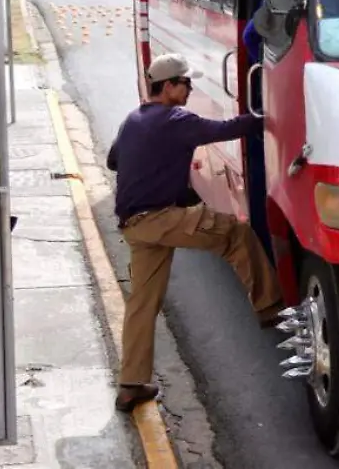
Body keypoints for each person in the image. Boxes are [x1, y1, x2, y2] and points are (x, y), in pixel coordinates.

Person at [108, 53, 286, 412]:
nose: (190, 88)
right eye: (186, 83)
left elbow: (114, 160)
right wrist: (271, 117)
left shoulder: (134, 119)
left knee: (142, 305)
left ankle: (131, 385)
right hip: (161, 219)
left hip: (134, 226)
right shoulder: (178, 119)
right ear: (170, 86)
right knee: (237, 235)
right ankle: (271, 309)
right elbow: (227, 130)